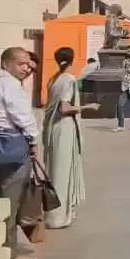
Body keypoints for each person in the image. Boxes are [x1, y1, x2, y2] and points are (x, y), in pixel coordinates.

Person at [0, 47, 42, 259]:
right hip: (11, 148)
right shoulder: (10, 85)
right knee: (10, 201)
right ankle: (9, 252)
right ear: (6, 63)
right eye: (21, 64)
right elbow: (23, 117)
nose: (26, 68)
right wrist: (34, 141)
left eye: (28, 64)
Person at [42, 47, 98, 229]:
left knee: (54, 169)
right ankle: (58, 217)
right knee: (62, 172)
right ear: (72, 60)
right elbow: (65, 108)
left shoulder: (54, 79)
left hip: (52, 129)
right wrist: (87, 107)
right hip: (64, 128)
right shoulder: (69, 80)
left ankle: (56, 214)